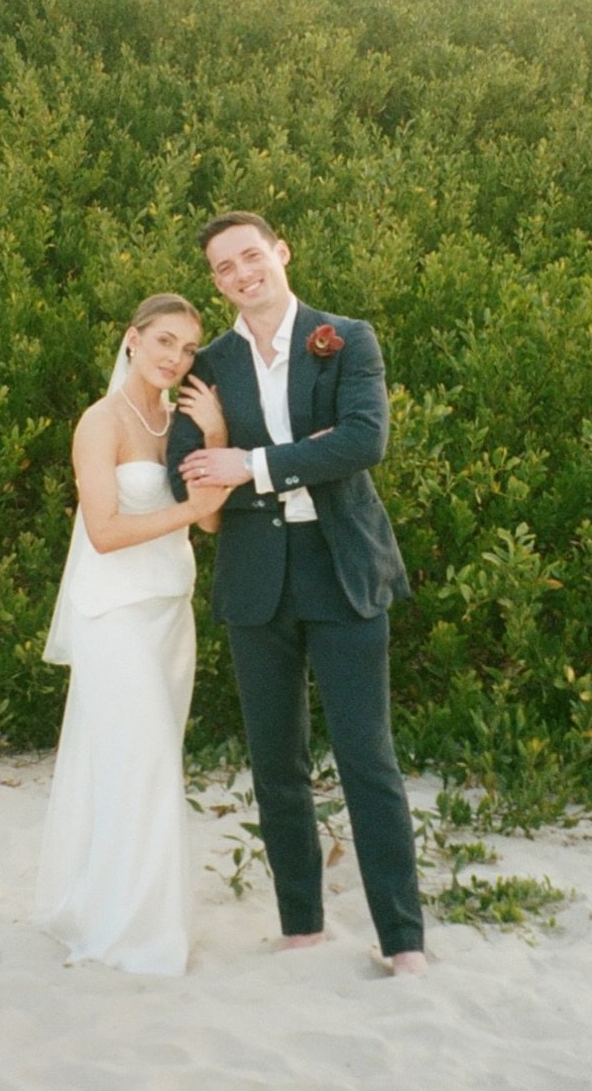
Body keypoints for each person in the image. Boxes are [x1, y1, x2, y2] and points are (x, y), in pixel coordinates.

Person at [168, 213, 427, 976]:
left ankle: (402, 940)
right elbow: (191, 468)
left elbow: (364, 440)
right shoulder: (208, 365)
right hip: (256, 576)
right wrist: (246, 451)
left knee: (365, 757)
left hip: (343, 567)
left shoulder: (348, 338)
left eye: (252, 256)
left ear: (280, 253)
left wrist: (253, 463)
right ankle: (302, 925)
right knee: (276, 761)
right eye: (225, 267)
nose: (243, 273)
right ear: (217, 283)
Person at [36, 293, 227, 976]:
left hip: (169, 610)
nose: (175, 357)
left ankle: (107, 904)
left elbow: (208, 523)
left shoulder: (177, 420)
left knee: (137, 763)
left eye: (187, 348)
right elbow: (106, 532)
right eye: (164, 341)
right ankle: (134, 934)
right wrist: (189, 508)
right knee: (140, 759)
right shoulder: (101, 422)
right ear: (133, 340)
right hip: (113, 612)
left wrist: (211, 436)